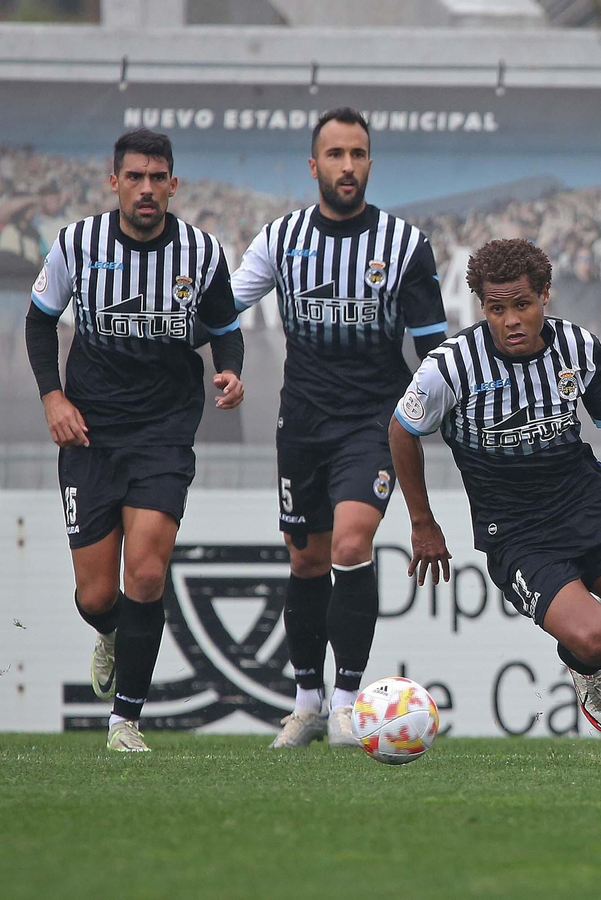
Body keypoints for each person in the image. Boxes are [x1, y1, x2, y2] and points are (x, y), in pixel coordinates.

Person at [390, 239, 601, 769]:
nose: (511, 320)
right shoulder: (448, 367)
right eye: (496, 308)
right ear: (481, 308)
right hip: (514, 529)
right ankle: (588, 671)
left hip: (587, 502)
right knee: (592, 639)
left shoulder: (578, 348)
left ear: (545, 295)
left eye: (523, 304)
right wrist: (423, 524)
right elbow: (401, 432)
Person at [231, 108, 449, 750]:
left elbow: (434, 344)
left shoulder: (405, 245)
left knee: (351, 546)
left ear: (370, 164)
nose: (347, 166)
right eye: (335, 155)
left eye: (357, 154)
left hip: (371, 422)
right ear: (314, 166)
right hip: (301, 423)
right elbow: (224, 306)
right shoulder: (281, 239)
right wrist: (222, 363)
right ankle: (307, 705)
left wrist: (438, 415)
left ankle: (351, 704)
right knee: (305, 558)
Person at [24, 128, 246, 752]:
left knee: (145, 574)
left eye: (158, 177)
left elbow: (226, 328)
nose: (146, 189)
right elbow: (40, 322)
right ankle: (109, 632)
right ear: (113, 180)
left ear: (174, 184)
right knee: (98, 596)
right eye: (135, 177)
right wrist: (53, 397)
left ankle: (126, 721)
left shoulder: (202, 253)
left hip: (164, 431)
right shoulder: (77, 244)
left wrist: (230, 369)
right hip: (90, 432)